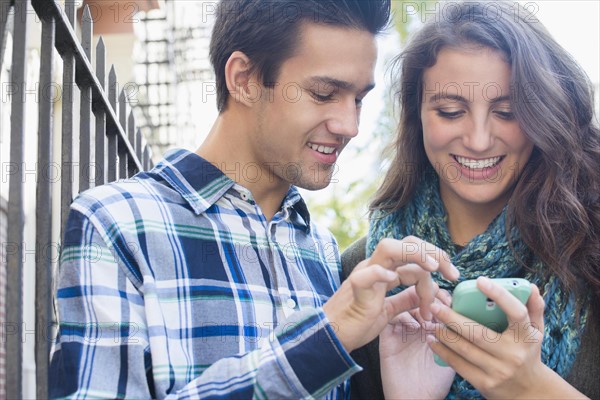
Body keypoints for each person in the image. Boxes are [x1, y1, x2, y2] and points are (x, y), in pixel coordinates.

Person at [49, 1, 461, 398]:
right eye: (323, 94)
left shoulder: (319, 249)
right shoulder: (115, 223)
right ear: (243, 79)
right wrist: (323, 340)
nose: (349, 124)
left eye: (358, 98)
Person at [342, 1, 600, 399]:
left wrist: (531, 389)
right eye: (450, 111)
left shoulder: (591, 252)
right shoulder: (364, 275)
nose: (478, 140)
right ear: (417, 115)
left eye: (508, 111)